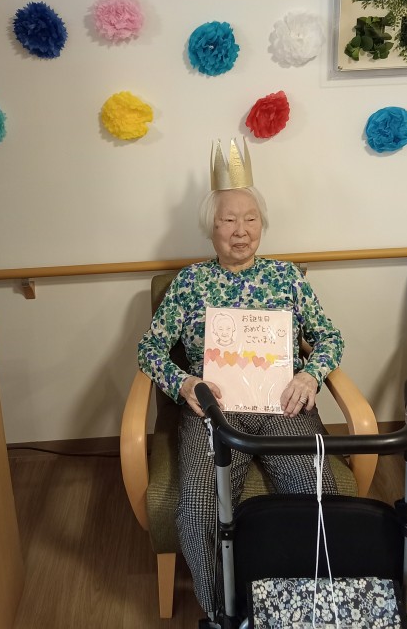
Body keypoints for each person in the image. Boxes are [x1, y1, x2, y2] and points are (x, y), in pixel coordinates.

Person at [137, 138, 344, 622]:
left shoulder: (287, 278)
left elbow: (330, 338)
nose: (241, 230)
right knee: (197, 509)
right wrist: (183, 383)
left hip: (283, 408)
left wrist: (310, 375)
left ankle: (303, 606)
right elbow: (149, 349)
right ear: (210, 228)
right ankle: (225, 613)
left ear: (262, 225)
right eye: (228, 220)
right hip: (214, 413)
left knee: (319, 497)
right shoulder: (190, 283)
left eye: (250, 219)